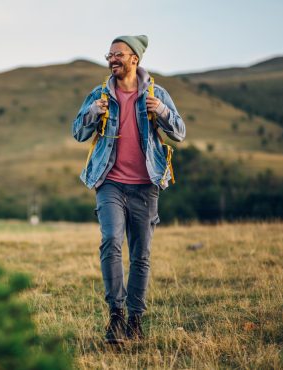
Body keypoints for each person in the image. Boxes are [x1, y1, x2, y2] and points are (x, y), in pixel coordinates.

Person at [72, 35, 186, 344]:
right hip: (109, 182)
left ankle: (136, 320)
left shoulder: (156, 93)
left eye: (117, 55)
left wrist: (161, 110)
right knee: (111, 241)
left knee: (141, 254)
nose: (111, 60)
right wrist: (93, 111)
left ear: (134, 58)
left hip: (145, 186)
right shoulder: (99, 94)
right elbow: (78, 132)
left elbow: (179, 132)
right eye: (109, 55)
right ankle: (116, 317)